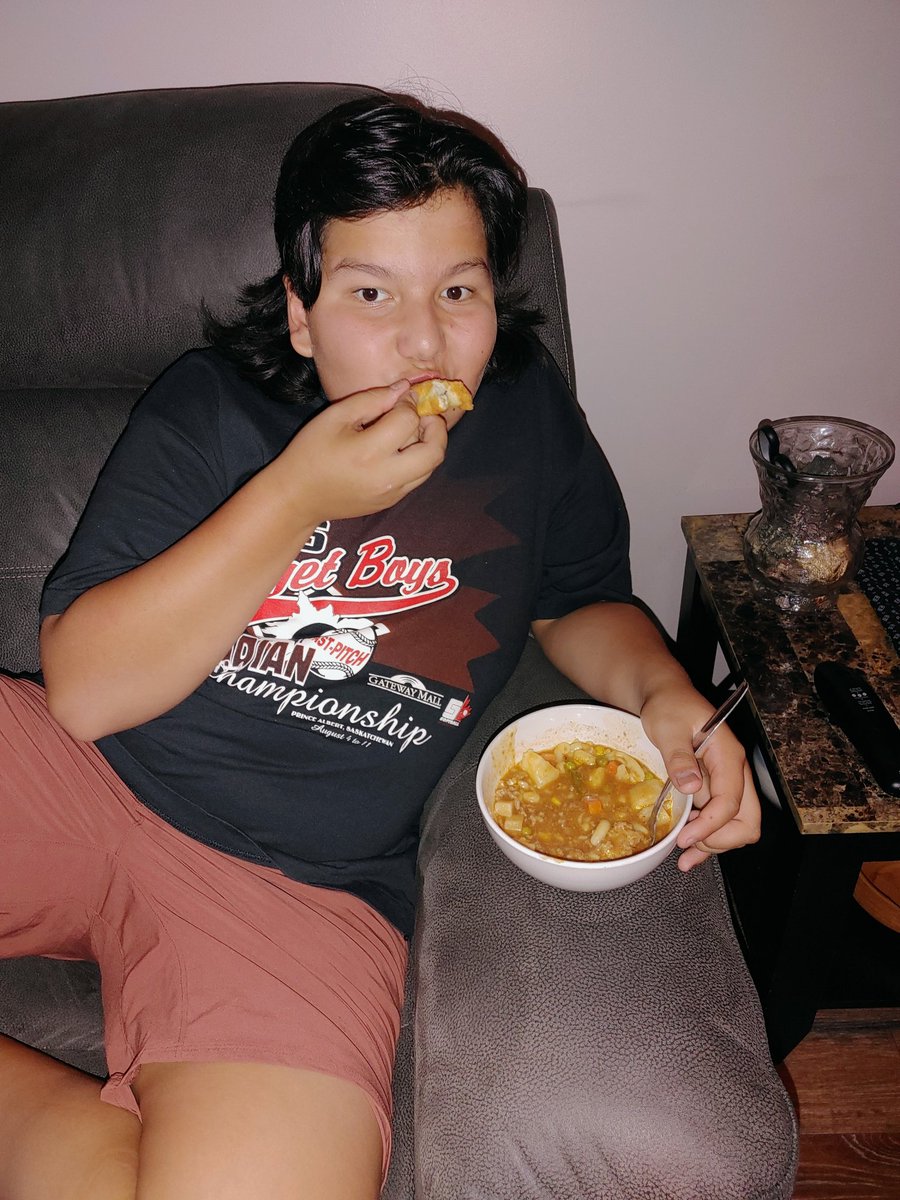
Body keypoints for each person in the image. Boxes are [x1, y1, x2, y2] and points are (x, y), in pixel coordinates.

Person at [0, 95, 761, 1200]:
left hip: (301, 890)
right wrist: (299, 490)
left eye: (458, 290)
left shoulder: (529, 426)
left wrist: (665, 696)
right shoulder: (214, 407)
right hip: (80, 780)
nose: (421, 339)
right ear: (302, 312)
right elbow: (85, 691)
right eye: (369, 293)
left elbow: (577, 601)